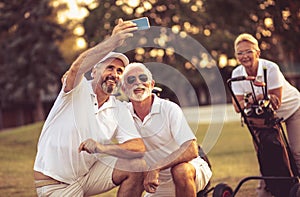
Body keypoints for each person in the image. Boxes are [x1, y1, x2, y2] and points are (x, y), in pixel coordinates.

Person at [33, 19, 147, 197]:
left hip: (87, 177)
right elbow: (76, 68)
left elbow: (138, 146)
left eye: (119, 71)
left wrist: (102, 148)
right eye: (110, 68)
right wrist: (113, 41)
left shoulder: (118, 108)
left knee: (137, 164)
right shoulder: (77, 89)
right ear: (94, 71)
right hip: (55, 184)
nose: (114, 74)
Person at [120, 62, 212, 197]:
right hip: (157, 183)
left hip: (189, 172)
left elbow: (191, 149)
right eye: (131, 80)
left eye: (143, 78)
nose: (138, 82)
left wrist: (157, 166)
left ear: (151, 84)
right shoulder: (122, 113)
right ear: (123, 88)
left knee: (180, 170)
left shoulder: (169, 108)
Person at [231, 33, 300, 196]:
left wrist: (253, 99)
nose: (244, 56)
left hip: (292, 109)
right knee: (267, 152)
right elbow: (237, 106)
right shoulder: (237, 74)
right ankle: (268, 188)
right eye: (240, 53)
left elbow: (276, 101)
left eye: (248, 51)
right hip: (268, 118)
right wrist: (255, 98)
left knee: (297, 152)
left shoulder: (270, 68)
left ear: (257, 53)